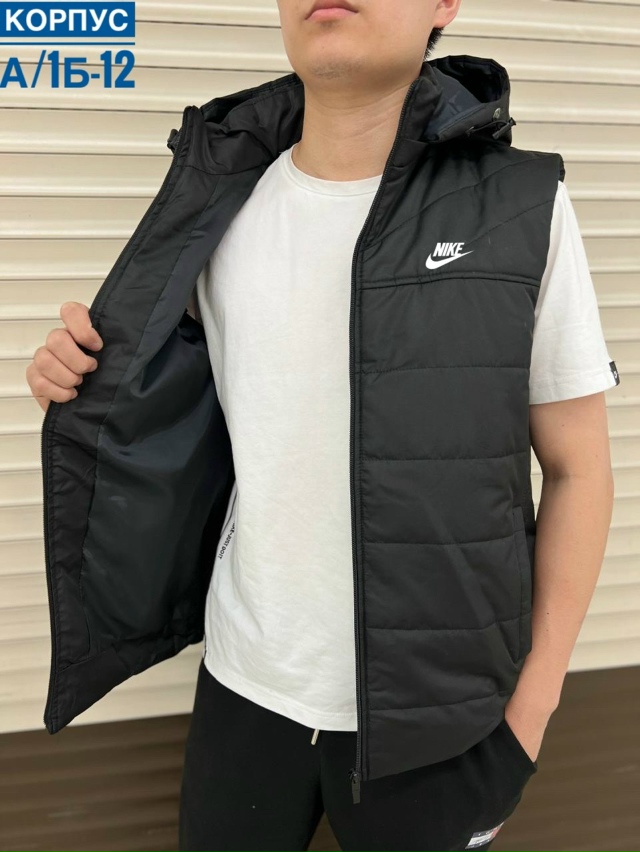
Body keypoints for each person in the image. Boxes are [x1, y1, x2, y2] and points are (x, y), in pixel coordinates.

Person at [27, 1, 621, 850]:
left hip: (445, 720)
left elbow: (578, 469)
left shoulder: (522, 205)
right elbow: (176, 413)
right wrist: (78, 380)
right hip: (243, 686)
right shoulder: (216, 200)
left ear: (444, 5)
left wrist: (533, 707)